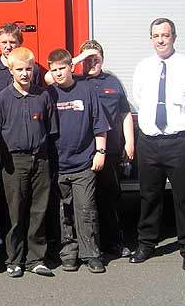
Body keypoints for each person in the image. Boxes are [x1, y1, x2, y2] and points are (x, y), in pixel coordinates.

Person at [130, 18, 185, 271]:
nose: (161, 40)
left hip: (181, 143)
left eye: (165, 35)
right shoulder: (143, 67)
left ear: (174, 37)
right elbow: (140, 98)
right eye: (156, 36)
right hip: (150, 143)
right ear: (151, 39)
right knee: (149, 196)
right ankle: (146, 244)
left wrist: (181, 124)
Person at [0, 47, 58, 278]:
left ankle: (36, 259)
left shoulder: (43, 96)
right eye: (19, 69)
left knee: (38, 210)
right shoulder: (2, 99)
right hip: (14, 161)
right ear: (11, 70)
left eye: (29, 69)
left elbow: (50, 130)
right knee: (15, 212)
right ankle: (14, 260)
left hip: (40, 159)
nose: (25, 73)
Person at [47, 49, 109, 274]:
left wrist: (100, 151)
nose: (58, 73)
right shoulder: (48, 94)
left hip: (84, 163)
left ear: (71, 67)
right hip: (58, 165)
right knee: (64, 213)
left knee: (86, 210)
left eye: (62, 68)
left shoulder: (87, 90)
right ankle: (68, 254)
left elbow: (99, 123)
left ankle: (91, 254)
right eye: (54, 70)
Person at [73, 40, 134, 258]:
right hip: (83, 152)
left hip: (111, 151)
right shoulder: (74, 82)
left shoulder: (113, 82)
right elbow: (50, 78)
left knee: (110, 200)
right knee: (85, 203)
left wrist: (130, 142)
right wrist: (80, 58)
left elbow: (124, 114)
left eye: (95, 58)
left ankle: (114, 243)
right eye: (87, 59)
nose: (91, 63)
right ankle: (89, 246)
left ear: (103, 59)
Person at [0, 22, 41, 115]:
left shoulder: (33, 70)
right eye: (4, 42)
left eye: (12, 42)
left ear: (20, 43)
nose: (8, 47)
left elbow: (38, 99)